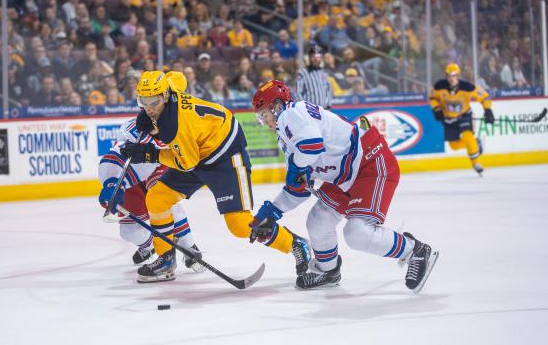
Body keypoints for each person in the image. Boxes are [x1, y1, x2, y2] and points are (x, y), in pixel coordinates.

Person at [118, 71, 311, 283]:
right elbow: (178, 76)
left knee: (239, 224)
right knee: (157, 197)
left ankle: (294, 244)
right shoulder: (170, 86)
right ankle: (165, 259)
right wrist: (151, 120)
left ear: (165, 96)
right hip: (199, 148)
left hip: (225, 156)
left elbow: (185, 163)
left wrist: (149, 153)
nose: (149, 108)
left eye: (154, 102)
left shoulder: (175, 126)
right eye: (143, 102)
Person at [250, 80, 439, 291]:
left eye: (264, 114)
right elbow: (300, 187)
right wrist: (272, 212)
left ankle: (415, 251)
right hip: (345, 177)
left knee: (357, 233)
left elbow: (311, 147)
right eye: (260, 118)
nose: (264, 122)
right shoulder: (286, 137)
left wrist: (295, 167)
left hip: (370, 163)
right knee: (318, 221)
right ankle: (328, 271)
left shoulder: (292, 113)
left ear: (277, 105)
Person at [98, 118, 205, 279]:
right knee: (128, 232)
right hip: (132, 178)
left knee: (165, 202)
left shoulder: (179, 127)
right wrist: (111, 184)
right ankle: (149, 245)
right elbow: (114, 156)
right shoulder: (134, 129)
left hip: (160, 166)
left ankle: (190, 248)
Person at [430, 63, 494, 175]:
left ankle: (476, 163)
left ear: (458, 76)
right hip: (449, 119)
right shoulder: (439, 86)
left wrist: (488, 110)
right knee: (453, 146)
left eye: (454, 75)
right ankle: (476, 143)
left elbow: (484, 96)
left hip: (465, 116)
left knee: (467, 136)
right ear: (446, 76)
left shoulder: (467, 87)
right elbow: (432, 97)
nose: (451, 78)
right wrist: (436, 109)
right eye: (449, 75)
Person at [295, 45, 332, 109]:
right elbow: (297, 93)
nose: (316, 59)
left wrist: (328, 106)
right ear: (309, 58)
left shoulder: (324, 73)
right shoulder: (303, 73)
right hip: (309, 112)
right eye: (313, 56)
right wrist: (305, 108)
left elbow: (328, 91)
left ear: (321, 58)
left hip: (323, 111)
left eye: (318, 56)